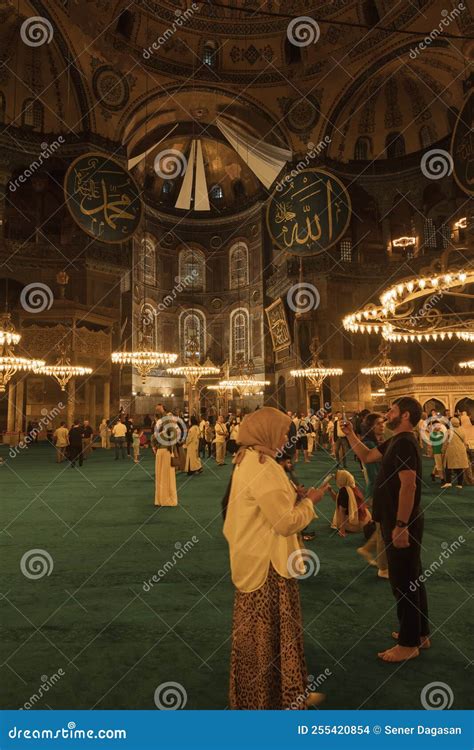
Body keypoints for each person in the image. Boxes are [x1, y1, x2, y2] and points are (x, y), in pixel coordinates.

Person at [223, 407, 329, 709]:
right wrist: (309, 502)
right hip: (266, 565)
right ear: (266, 432)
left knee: (263, 637)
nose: (286, 438)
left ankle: (281, 695)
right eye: (282, 432)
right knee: (265, 638)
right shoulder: (263, 466)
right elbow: (284, 523)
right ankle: (268, 700)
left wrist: (292, 497)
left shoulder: (248, 459)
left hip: (257, 557)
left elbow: (267, 508)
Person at [343, 396, 430, 663]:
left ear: (404, 416)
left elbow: (409, 485)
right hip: (396, 520)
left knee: (403, 581)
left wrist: (401, 525)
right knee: (412, 576)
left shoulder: (404, 443)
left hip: (401, 521)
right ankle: (420, 633)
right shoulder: (396, 441)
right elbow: (367, 455)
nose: (386, 415)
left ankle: (408, 643)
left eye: (391, 411)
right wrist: (349, 434)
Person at [356, 413, 388, 578]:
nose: (382, 426)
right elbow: (374, 471)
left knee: (382, 526)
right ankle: (383, 568)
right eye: (377, 424)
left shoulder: (377, 442)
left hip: (379, 488)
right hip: (377, 488)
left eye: (382, 423)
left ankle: (367, 549)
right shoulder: (369, 444)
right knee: (383, 529)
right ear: (370, 426)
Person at [329, 470, 371, 536]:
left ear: (342, 479)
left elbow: (342, 510)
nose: (336, 480)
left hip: (355, 524)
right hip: (365, 521)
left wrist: (342, 530)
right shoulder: (354, 487)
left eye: (337, 478)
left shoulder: (344, 491)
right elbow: (337, 500)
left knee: (338, 514)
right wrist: (330, 490)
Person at [152, 414, 178, 506]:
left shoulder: (159, 430)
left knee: (160, 475)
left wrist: (154, 448)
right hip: (167, 452)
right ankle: (167, 499)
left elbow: (153, 438)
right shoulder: (172, 429)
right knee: (168, 476)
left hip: (159, 452)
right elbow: (174, 440)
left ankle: (159, 500)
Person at [441, 417, 469, 489]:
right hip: (461, 450)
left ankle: (448, 482)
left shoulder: (448, 431)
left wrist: (443, 450)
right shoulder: (463, 430)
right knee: (460, 467)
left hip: (451, 450)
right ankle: (460, 484)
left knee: (448, 467)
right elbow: (465, 442)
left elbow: (445, 443)